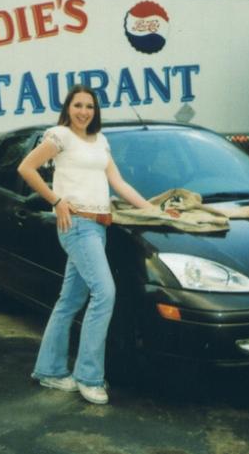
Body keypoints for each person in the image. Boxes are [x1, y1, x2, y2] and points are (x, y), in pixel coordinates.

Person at [17, 84, 153, 405]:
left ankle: (49, 370)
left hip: (99, 225)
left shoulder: (100, 141)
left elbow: (118, 183)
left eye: (89, 106)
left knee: (69, 300)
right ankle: (88, 377)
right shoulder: (60, 136)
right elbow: (26, 167)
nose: (83, 111)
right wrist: (56, 200)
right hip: (76, 225)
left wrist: (152, 209)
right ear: (68, 108)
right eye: (77, 105)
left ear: (95, 111)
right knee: (105, 293)